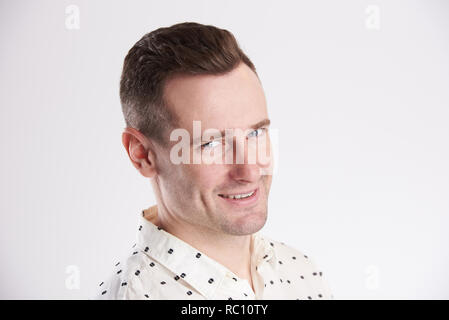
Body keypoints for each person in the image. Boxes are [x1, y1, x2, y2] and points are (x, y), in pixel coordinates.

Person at [94, 22, 333, 300]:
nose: (251, 169)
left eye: (255, 132)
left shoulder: (301, 272)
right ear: (142, 155)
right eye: (211, 143)